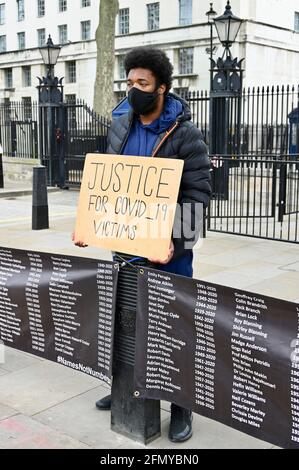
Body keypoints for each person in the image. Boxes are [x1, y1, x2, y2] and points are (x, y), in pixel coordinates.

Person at [74, 46, 211, 443]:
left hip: (166, 254)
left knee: (172, 329)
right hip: (125, 251)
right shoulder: (120, 125)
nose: (134, 89)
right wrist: (90, 225)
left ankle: (182, 406)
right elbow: (108, 183)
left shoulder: (185, 136)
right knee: (124, 324)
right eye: (130, 81)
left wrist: (175, 245)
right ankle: (123, 388)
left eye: (143, 83)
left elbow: (197, 197)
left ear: (162, 88)